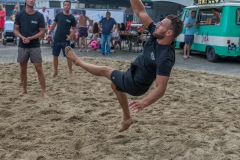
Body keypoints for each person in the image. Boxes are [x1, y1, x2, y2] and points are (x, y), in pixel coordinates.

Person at [64, 0, 183, 132]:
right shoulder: (157, 33)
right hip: (131, 73)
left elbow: (161, 89)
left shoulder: (165, 57)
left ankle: (77, 62)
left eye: (161, 25)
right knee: (115, 85)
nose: (157, 25)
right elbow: (140, 11)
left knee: (105, 70)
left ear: (168, 33)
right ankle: (127, 119)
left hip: (136, 84)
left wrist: (144, 103)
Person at [13, 0, 48, 98]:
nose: (31, 0)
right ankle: (24, 89)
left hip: (35, 45)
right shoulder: (20, 15)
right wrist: (22, 37)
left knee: (39, 68)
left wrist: (31, 38)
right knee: (23, 68)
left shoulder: (39, 16)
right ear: (25, 1)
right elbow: (15, 29)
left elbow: (42, 32)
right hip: (22, 45)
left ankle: (43, 91)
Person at [46, 0, 76, 77]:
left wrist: (70, 36)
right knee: (55, 56)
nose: (66, 6)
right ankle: (55, 71)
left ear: (70, 6)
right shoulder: (58, 15)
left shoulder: (72, 17)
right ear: (63, 6)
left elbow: (74, 29)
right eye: (65, 5)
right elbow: (53, 25)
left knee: (68, 57)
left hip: (65, 40)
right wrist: (48, 34)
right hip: (57, 39)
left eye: (68, 5)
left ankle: (70, 72)